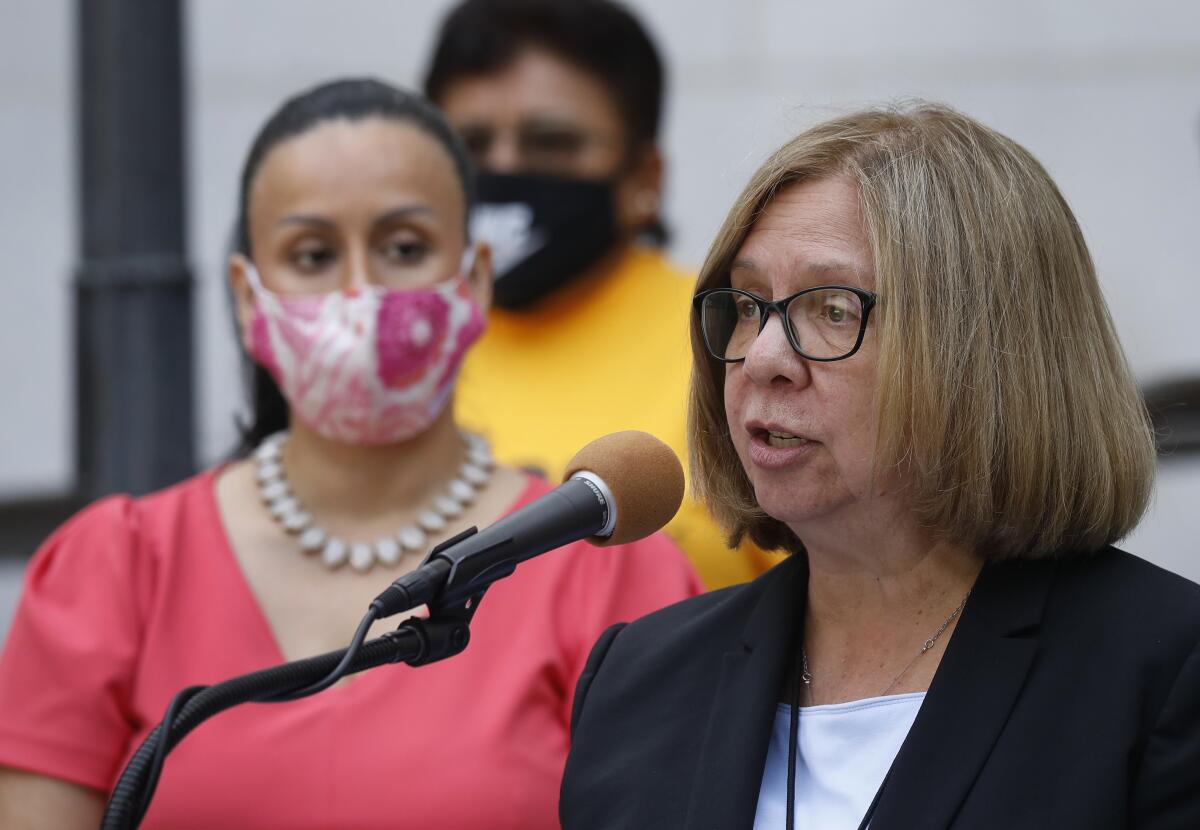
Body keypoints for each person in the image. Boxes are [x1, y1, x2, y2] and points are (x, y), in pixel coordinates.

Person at [0, 78, 700, 829]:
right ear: (248, 295)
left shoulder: (607, 566)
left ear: (474, 280)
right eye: (312, 254)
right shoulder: (113, 566)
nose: (361, 292)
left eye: (404, 247)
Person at [559, 103, 1200, 829]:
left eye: (831, 308)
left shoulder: (1163, 671)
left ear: (983, 352)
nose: (764, 358)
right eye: (746, 304)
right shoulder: (640, 678)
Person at [422, 0, 778, 589]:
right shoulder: (389, 342)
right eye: (472, 144)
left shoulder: (737, 336)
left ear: (644, 179)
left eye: (551, 142)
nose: (505, 168)